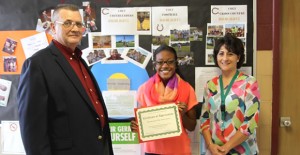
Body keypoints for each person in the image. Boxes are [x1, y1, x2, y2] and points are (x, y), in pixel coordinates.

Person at [17, 4, 113, 155]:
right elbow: (33, 132)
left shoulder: (81, 61)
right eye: (67, 23)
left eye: (79, 24)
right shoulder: (37, 65)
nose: (75, 29)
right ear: (54, 28)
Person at [130, 44, 198, 155]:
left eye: (170, 62)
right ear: (155, 65)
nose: (165, 66)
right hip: (152, 151)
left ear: (176, 64)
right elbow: (140, 124)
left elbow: (192, 126)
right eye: (160, 62)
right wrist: (135, 126)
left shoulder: (187, 89)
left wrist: (183, 114)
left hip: (179, 150)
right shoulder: (144, 89)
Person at [200, 33, 260, 155]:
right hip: (214, 151)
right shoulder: (210, 85)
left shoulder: (249, 83)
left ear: (238, 57)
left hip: (243, 151)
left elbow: (250, 122)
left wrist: (226, 147)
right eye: (221, 53)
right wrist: (211, 146)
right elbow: (204, 119)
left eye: (230, 54)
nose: (225, 58)